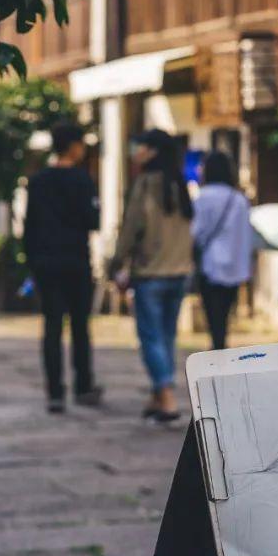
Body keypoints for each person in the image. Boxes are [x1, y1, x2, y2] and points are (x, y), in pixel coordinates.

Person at [110, 129, 193, 423]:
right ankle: (158, 396)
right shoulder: (179, 184)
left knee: (150, 337)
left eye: (140, 146)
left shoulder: (146, 184)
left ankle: (166, 396)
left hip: (151, 272)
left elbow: (132, 227)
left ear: (153, 150)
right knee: (167, 336)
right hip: (179, 271)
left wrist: (116, 262)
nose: (136, 151)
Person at [23, 122, 102, 415]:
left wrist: (32, 262)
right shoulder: (82, 180)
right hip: (76, 260)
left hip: (46, 263)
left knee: (52, 327)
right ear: (73, 146)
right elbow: (93, 220)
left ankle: (55, 392)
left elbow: (29, 226)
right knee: (80, 327)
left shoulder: (38, 181)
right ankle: (83, 386)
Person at [192, 151, 252, 350]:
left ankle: (217, 348)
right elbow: (245, 235)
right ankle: (220, 347)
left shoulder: (203, 197)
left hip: (210, 265)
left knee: (213, 315)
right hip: (234, 267)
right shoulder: (239, 200)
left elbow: (196, 232)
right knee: (225, 314)